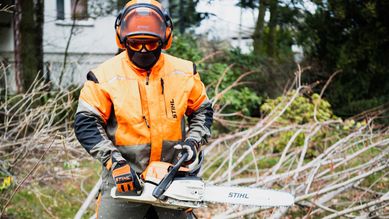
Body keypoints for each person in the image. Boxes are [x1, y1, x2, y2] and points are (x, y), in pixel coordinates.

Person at [73, 0, 213, 218]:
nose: (144, 49)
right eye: (136, 43)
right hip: (124, 175)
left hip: (173, 173)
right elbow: (86, 123)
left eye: (151, 43)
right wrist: (114, 161)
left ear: (165, 39)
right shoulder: (103, 76)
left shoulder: (184, 72)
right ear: (122, 39)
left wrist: (193, 142)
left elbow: (202, 112)